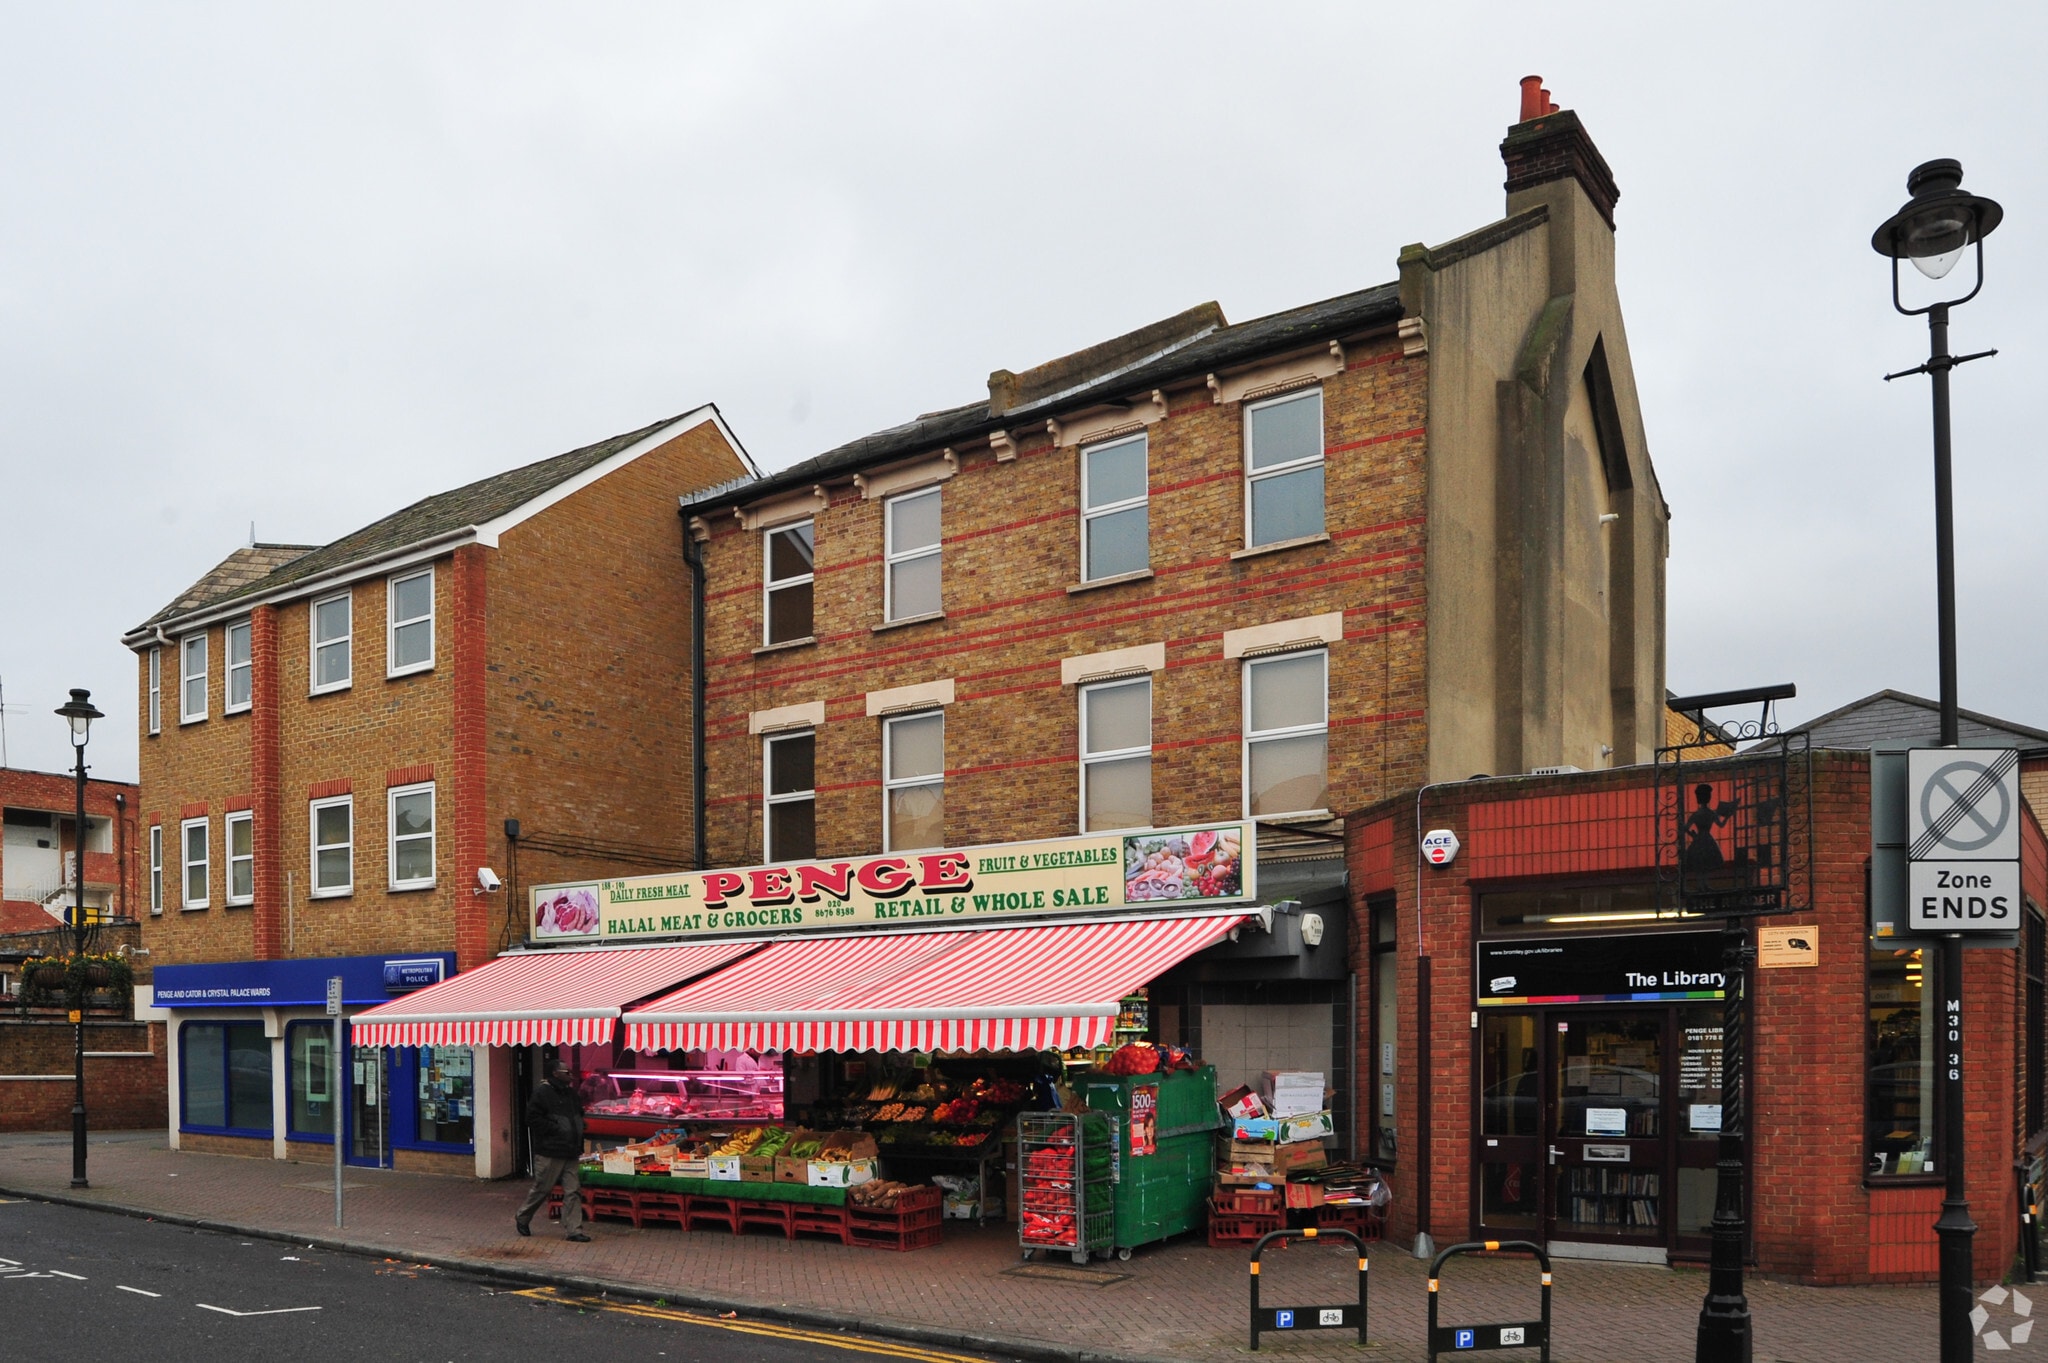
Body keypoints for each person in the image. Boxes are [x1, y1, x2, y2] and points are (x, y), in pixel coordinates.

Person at [516, 1060, 590, 1241]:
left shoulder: (571, 1093)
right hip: (550, 1150)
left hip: (571, 1150)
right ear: (556, 1073)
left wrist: (579, 1127)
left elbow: (577, 1115)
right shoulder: (542, 1093)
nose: (571, 1075)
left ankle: (574, 1230)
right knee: (542, 1189)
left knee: (573, 1190)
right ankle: (523, 1216)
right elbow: (532, 1119)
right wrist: (557, 1129)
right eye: (567, 1072)